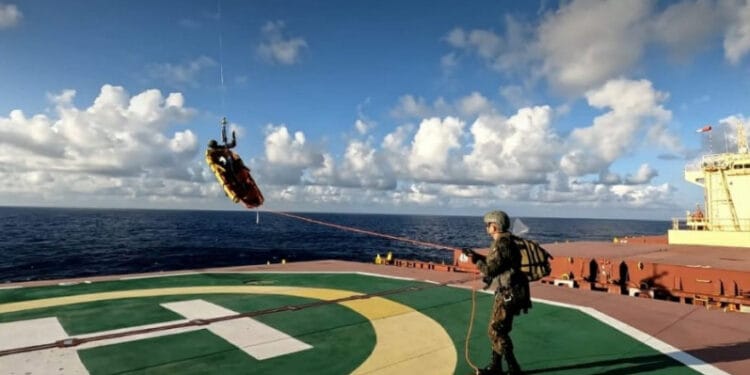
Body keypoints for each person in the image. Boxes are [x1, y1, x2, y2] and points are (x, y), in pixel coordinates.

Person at [464, 210, 529, 375]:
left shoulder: (502, 244)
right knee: (500, 330)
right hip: (512, 291)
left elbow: (490, 269)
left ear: (496, 226)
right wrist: (476, 255)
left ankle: (513, 369)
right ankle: (496, 367)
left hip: (508, 293)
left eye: (489, 224)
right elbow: (497, 263)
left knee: (496, 330)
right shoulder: (506, 242)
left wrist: (475, 261)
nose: (487, 227)